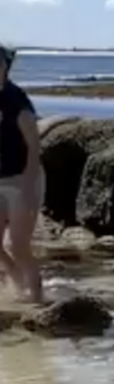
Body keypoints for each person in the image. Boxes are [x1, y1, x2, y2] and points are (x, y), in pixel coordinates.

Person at [0, 42, 43, 303]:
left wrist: (27, 189)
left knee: (18, 245)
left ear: (6, 66)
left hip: (22, 178)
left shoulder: (17, 101)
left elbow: (34, 146)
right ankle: (18, 283)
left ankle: (38, 300)